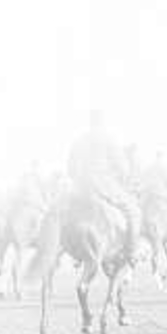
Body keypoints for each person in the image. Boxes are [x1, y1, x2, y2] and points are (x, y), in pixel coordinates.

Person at [66, 111, 143, 264]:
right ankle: (132, 252)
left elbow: (70, 167)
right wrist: (122, 175)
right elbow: (123, 167)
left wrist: (78, 179)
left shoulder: (79, 140)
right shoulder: (108, 138)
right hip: (103, 183)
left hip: (79, 187)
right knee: (134, 212)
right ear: (102, 122)